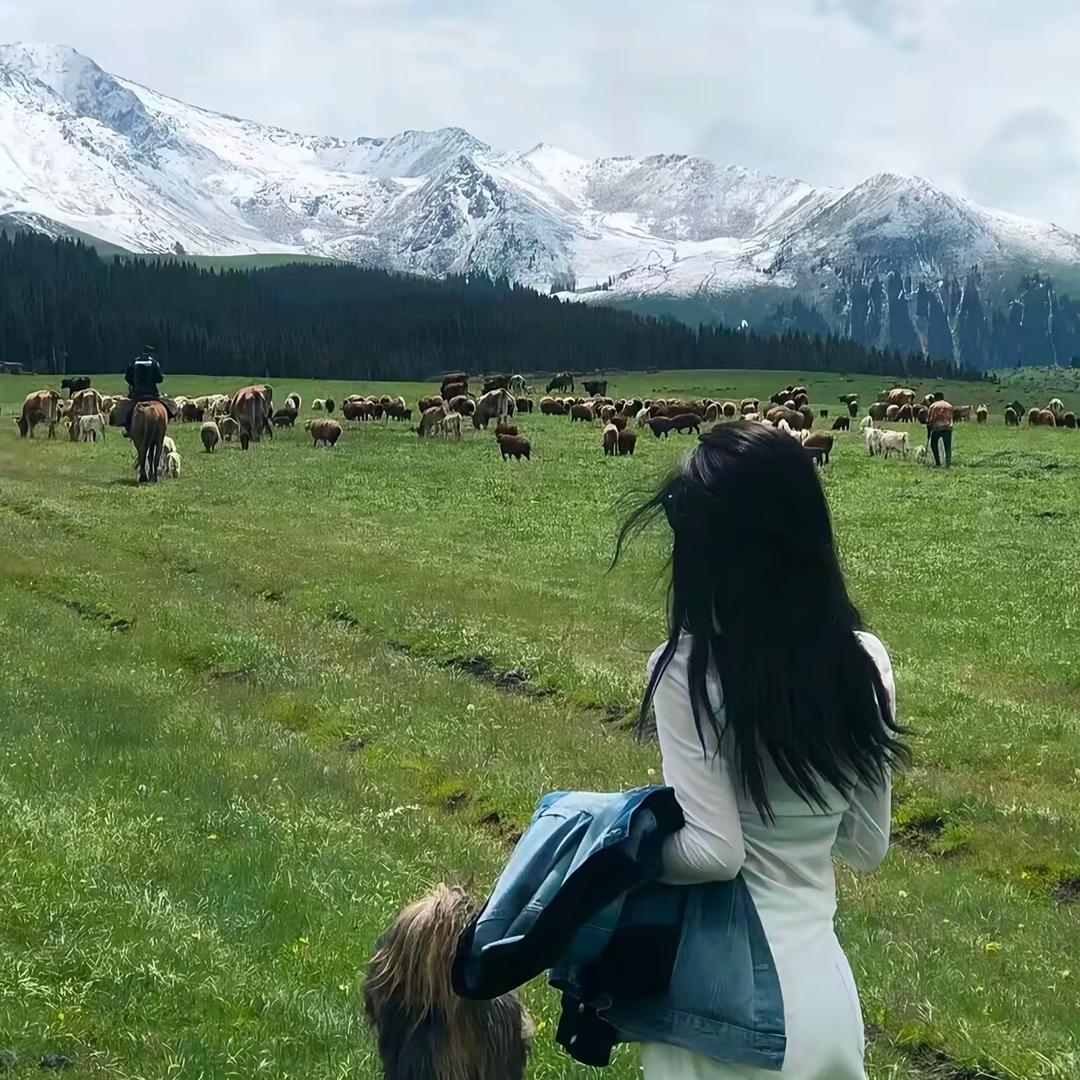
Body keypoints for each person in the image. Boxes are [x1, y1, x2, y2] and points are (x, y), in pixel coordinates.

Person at [614, 422, 908, 1080]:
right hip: (826, 1001)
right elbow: (867, 844)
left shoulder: (689, 670)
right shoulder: (865, 662)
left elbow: (716, 853)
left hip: (722, 1012)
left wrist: (619, 844)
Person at [119, 347, 176, 436]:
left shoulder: (134, 362)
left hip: (136, 394)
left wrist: (134, 384)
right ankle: (163, 426)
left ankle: (128, 429)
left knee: (128, 412)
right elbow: (159, 379)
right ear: (151, 354)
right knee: (169, 408)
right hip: (152, 394)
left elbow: (127, 377)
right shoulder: (154, 363)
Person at [926, 397, 954, 467]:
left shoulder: (933, 406)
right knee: (947, 447)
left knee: (934, 445)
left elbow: (930, 419)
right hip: (947, 428)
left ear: (935, 398)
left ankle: (938, 462)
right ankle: (948, 463)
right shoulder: (949, 405)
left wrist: (929, 431)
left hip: (937, 428)